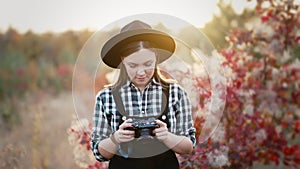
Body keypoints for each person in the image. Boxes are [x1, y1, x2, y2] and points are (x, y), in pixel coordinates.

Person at [91, 20, 196, 169]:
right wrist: (116, 139)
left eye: (148, 64)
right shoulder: (106, 98)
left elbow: (189, 147)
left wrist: (167, 137)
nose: (141, 73)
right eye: (133, 65)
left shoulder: (176, 93)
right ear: (122, 62)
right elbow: (99, 153)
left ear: (156, 59)